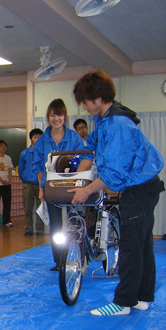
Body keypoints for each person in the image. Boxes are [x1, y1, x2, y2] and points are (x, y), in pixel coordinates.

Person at [71, 70, 164, 316]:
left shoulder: (117, 124)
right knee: (143, 244)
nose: (84, 107)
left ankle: (123, 302)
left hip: (140, 188)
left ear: (97, 98)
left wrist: (87, 190)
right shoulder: (106, 120)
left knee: (132, 246)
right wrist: (78, 180)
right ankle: (142, 298)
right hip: (144, 186)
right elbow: (89, 150)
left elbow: (113, 173)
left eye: (86, 101)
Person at [33, 99, 84, 271]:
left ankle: (78, 257)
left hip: (72, 186)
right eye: (53, 115)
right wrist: (41, 188)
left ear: (65, 117)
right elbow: (39, 167)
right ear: (48, 117)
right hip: (51, 188)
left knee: (75, 223)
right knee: (55, 225)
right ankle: (59, 261)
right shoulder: (41, 141)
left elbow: (83, 162)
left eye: (60, 115)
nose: (57, 119)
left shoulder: (74, 138)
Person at [18, 129, 45, 236]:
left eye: (39, 137)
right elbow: (20, 169)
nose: (37, 139)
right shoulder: (24, 153)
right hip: (28, 184)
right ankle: (28, 229)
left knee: (40, 209)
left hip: (41, 185)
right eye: (35, 137)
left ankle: (40, 230)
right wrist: (25, 179)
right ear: (31, 139)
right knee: (28, 208)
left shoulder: (44, 153)